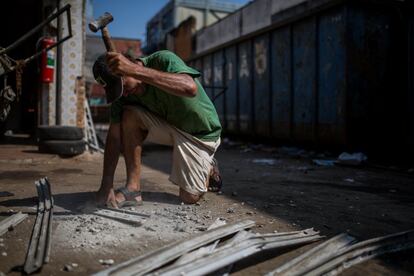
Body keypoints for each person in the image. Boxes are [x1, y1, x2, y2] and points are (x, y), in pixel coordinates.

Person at [93, 50, 222, 208]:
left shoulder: (162, 60)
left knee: (189, 197)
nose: (124, 93)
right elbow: (113, 138)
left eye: (123, 86)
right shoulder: (123, 96)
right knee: (129, 115)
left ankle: (208, 166)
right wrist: (106, 185)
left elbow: (189, 88)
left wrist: (135, 71)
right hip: (168, 125)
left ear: (128, 66)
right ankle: (133, 189)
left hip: (200, 135)